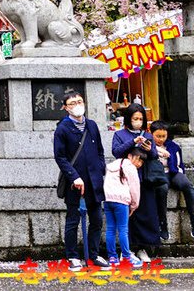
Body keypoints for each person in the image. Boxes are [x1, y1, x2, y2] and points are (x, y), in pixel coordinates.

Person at [54, 91, 111, 272]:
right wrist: (74, 176)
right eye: (72, 103)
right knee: (73, 220)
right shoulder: (62, 128)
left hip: (94, 180)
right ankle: (72, 255)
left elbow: (100, 151)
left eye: (79, 101)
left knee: (96, 220)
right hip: (75, 182)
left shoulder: (92, 125)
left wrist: (101, 168)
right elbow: (60, 157)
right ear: (65, 107)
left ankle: (93, 254)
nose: (77, 105)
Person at [112, 103, 160, 262]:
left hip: (144, 180)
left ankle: (143, 248)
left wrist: (148, 147)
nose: (138, 121)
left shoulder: (147, 135)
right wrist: (133, 142)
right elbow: (116, 152)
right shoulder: (119, 134)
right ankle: (127, 249)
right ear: (129, 119)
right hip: (125, 180)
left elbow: (154, 155)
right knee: (128, 216)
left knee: (146, 214)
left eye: (140, 119)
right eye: (135, 118)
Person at [104, 146, 148, 267]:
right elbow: (135, 188)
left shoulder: (112, 165)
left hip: (108, 200)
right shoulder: (130, 167)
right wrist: (134, 205)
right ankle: (127, 256)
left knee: (110, 229)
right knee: (123, 230)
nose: (139, 163)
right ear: (130, 156)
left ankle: (112, 257)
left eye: (141, 162)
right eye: (138, 159)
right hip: (121, 202)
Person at [151, 120, 194, 241]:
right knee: (162, 189)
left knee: (187, 185)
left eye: (163, 136)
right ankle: (163, 224)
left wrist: (181, 174)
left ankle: (193, 219)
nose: (161, 139)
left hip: (174, 172)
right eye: (158, 136)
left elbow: (180, 164)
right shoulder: (149, 146)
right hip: (159, 174)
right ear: (152, 134)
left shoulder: (173, 146)